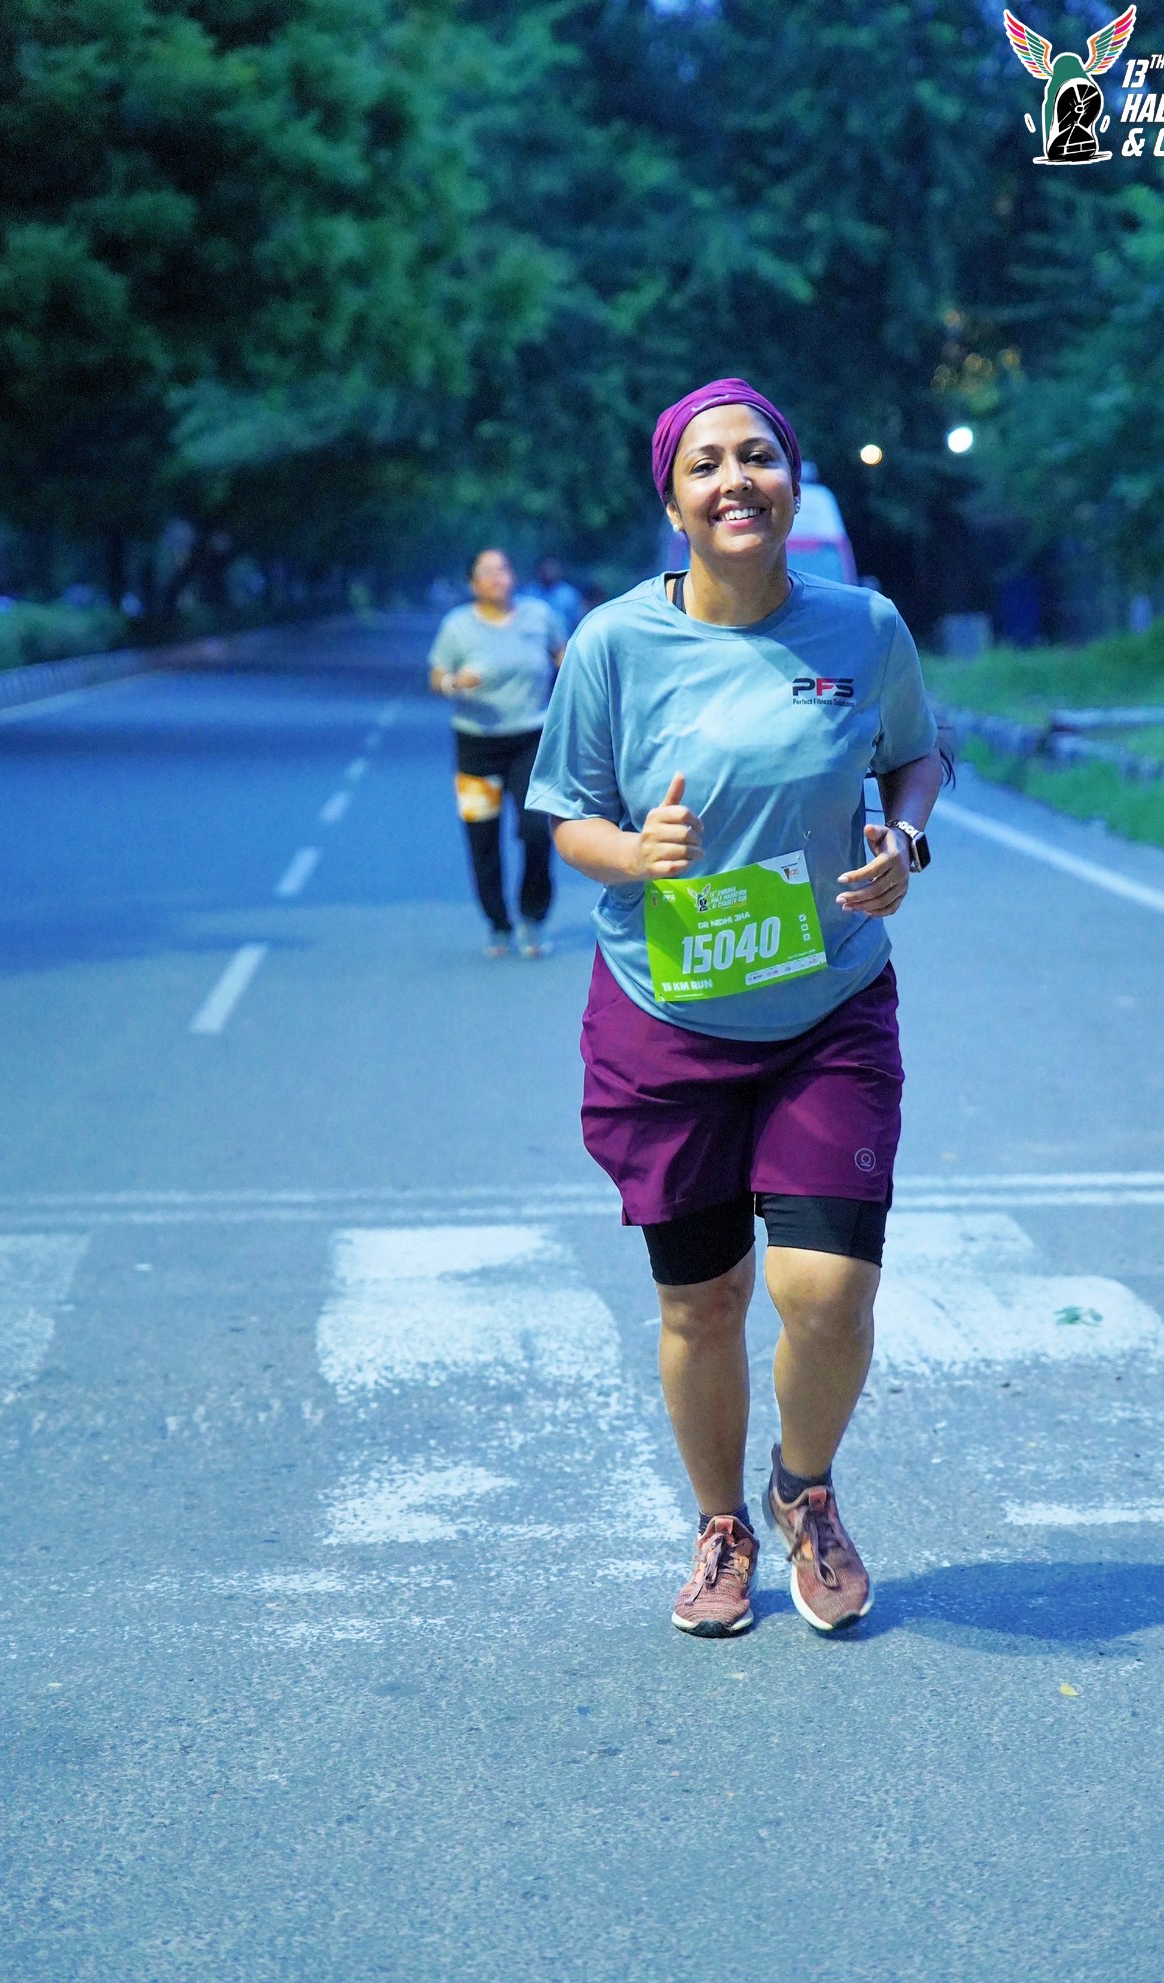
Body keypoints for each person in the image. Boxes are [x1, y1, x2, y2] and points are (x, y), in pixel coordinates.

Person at [527, 377, 945, 1637]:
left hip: (828, 1006)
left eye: (756, 456)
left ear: (790, 482)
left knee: (827, 1291)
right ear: (673, 504)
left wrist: (903, 842)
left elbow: (915, 756)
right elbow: (565, 818)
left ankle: (802, 1491)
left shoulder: (862, 628)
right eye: (704, 464)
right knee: (701, 1300)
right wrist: (634, 853)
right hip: (665, 1017)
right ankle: (719, 1527)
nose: (734, 480)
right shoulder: (612, 645)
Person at [430, 549, 565, 958]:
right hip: (477, 744)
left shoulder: (538, 616)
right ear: (472, 583)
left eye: (503, 568)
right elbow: (437, 677)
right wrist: (455, 683)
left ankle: (533, 916)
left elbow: (564, 656)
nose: (497, 577)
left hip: (532, 740)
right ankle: (499, 924)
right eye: (486, 571)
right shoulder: (457, 626)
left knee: (537, 829)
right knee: (482, 838)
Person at [524, 556, 586, 641]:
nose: (548, 571)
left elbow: (578, 620)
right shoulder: (530, 593)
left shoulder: (569, 594)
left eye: (552, 567)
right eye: (545, 567)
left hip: (566, 641)